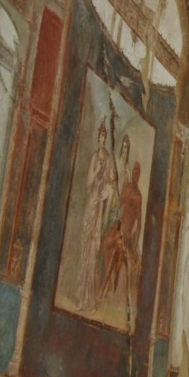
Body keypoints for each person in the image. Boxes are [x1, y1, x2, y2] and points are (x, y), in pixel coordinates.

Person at [77, 122, 116, 311]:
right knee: (85, 250)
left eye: (104, 137)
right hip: (91, 203)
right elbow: (88, 183)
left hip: (99, 206)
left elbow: (110, 183)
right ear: (97, 138)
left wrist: (106, 193)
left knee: (94, 251)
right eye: (100, 137)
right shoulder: (95, 157)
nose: (102, 140)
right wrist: (95, 169)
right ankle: (81, 299)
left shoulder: (108, 159)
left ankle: (91, 300)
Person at [101, 160, 143, 300]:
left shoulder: (138, 196)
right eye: (134, 170)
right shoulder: (127, 187)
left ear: (139, 175)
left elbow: (139, 222)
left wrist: (136, 241)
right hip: (119, 225)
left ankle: (106, 286)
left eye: (138, 171)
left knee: (117, 256)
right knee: (106, 242)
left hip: (126, 232)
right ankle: (109, 282)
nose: (135, 173)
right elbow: (119, 204)